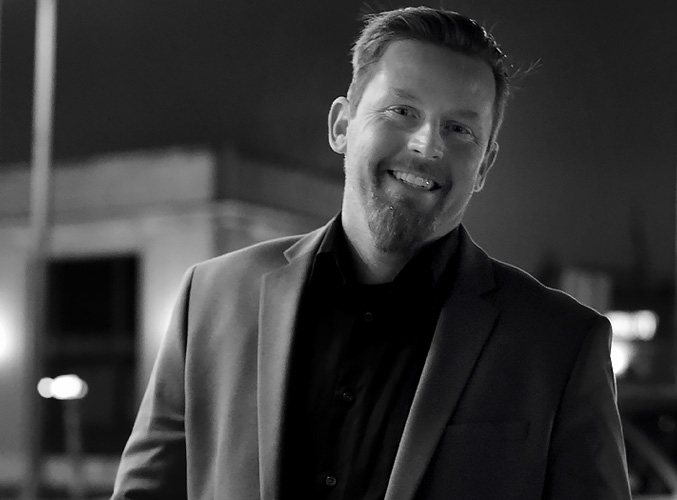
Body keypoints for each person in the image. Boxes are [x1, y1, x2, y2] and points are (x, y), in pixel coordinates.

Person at [112, 6, 631, 500]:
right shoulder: (210, 300)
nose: (428, 145)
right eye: (402, 110)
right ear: (342, 125)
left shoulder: (559, 345)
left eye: (460, 128)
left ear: (486, 164)